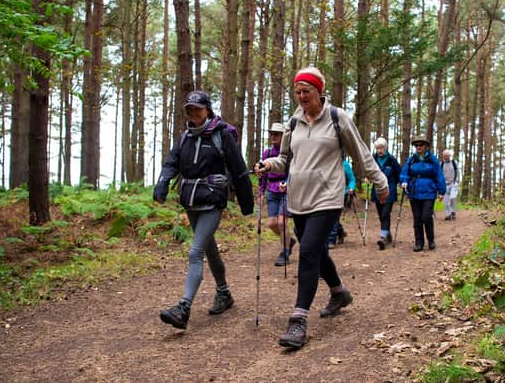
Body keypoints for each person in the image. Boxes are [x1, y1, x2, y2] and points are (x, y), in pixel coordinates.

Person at [254, 67, 389, 349]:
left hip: (328, 197)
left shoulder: (338, 119)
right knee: (317, 250)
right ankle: (339, 292)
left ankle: (298, 321)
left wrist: (380, 182)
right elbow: (285, 158)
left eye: (307, 91)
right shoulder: (293, 122)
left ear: (319, 91)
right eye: (298, 92)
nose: (302, 96)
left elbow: (361, 154)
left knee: (308, 252)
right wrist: (269, 165)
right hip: (299, 198)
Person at [153, 90, 254, 330]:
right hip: (190, 200)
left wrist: (246, 203)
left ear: (208, 110)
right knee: (209, 248)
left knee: (195, 251)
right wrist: (163, 182)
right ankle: (224, 293)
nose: (193, 113)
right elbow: (172, 162)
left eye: (197, 109)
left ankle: (184, 307)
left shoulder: (222, 135)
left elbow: (238, 167)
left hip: (212, 200)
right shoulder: (185, 136)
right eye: (189, 109)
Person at [400, 135, 446, 252]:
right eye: (416, 145)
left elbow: (439, 175)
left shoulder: (432, 159)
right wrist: (404, 181)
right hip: (414, 191)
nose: (418, 147)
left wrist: (441, 191)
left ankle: (431, 240)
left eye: (421, 145)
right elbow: (405, 173)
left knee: (426, 216)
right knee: (417, 219)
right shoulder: (412, 159)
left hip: (429, 191)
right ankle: (419, 242)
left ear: (425, 146)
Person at [260, 122, 296, 266]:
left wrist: (287, 182)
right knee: (272, 223)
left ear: (283, 136)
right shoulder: (267, 153)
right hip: (272, 190)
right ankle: (290, 241)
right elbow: (263, 175)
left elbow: (294, 171)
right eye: (272, 134)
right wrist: (262, 192)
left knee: (282, 222)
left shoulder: (289, 153)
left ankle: (285, 252)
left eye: (277, 134)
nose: (273, 136)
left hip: (286, 190)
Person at [370, 138, 402, 251]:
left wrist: (401, 183)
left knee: (385, 213)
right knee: (381, 215)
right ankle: (387, 234)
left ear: (385, 148)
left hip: (390, 189)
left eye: (381, 148)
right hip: (377, 190)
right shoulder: (373, 159)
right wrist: (368, 178)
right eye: (377, 148)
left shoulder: (392, 159)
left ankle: (383, 237)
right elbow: (369, 171)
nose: (379, 151)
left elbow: (399, 173)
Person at [326, 159, 356, 249]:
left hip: (342, 193)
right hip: (327, 193)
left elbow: (351, 179)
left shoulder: (344, 164)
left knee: (334, 216)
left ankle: (331, 240)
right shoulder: (325, 162)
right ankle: (341, 232)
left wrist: (351, 188)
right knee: (329, 216)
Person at [441, 149, 459, 220]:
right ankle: (448, 214)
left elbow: (457, 172)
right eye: (444, 156)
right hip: (445, 184)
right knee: (446, 200)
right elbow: (440, 174)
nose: (446, 157)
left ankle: (453, 211)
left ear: (450, 156)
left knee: (452, 197)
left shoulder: (454, 163)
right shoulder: (441, 164)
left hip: (453, 183)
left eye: (447, 156)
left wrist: (457, 181)